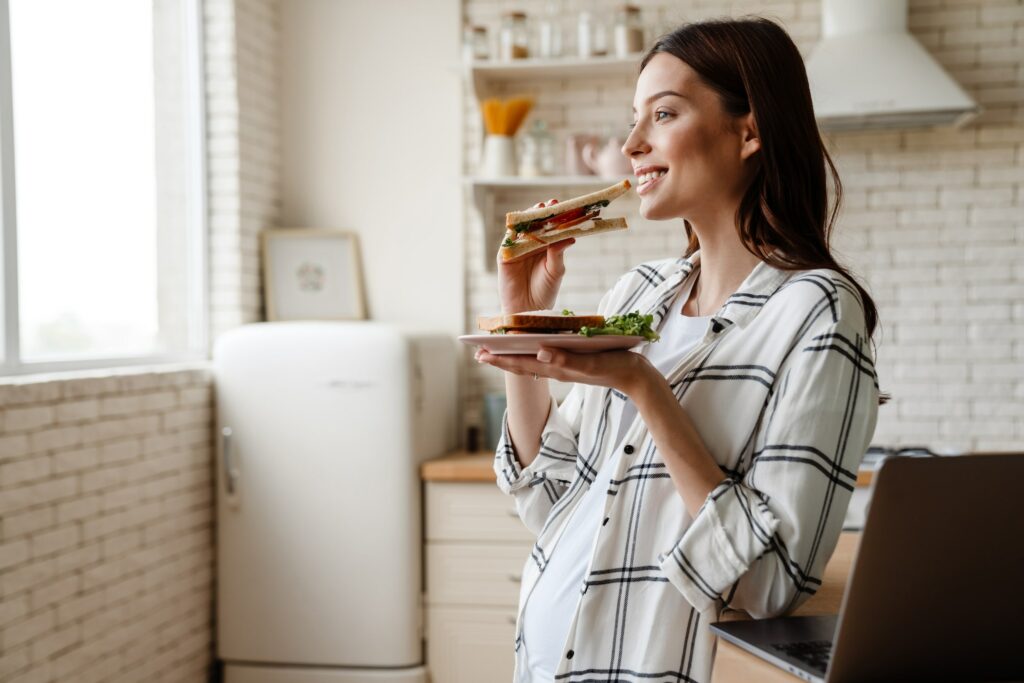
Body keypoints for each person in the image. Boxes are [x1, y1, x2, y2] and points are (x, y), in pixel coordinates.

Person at [474, 16, 884, 683]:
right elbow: (549, 498)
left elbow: (768, 581)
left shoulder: (816, 312)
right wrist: (527, 319)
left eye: (662, 114)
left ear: (749, 131)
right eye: (634, 119)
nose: (633, 144)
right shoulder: (638, 293)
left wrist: (646, 388)